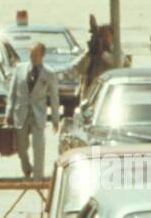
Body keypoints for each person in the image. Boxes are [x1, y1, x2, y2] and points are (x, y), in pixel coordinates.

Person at [6, 42, 60, 180]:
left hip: (38, 114)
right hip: (21, 112)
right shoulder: (19, 69)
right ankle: (27, 168)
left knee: (39, 145)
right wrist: (8, 113)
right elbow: (12, 93)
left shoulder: (49, 73)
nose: (33, 57)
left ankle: (38, 176)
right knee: (22, 147)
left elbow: (54, 97)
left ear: (42, 55)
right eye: (31, 54)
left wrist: (55, 119)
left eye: (36, 55)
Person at [73, 22, 122, 99]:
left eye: (106, 36)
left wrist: (102, 52)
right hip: (90, 95)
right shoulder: (92, 52)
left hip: (109, 95)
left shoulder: (117, 52)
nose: (104, 39)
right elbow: (79, 70)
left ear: (112, 37)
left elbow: (117, 65)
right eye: (101, 36)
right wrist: (90, 53)